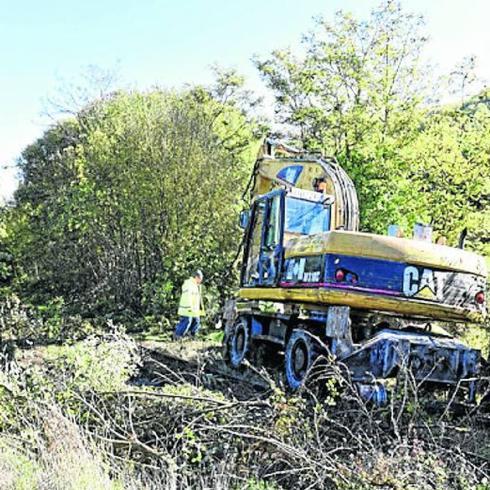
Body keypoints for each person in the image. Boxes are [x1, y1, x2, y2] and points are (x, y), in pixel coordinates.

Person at [173, 270, 205, 339]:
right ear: (196, 277)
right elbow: (187, 297)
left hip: (194, 309)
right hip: (187, 308)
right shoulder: (189, 284)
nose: (200, 281)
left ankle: (191, 336)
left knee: (196, 321)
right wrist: (190, 307)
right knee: (186, 322)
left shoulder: (196, 285)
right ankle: (177, 336)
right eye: (200, 279)